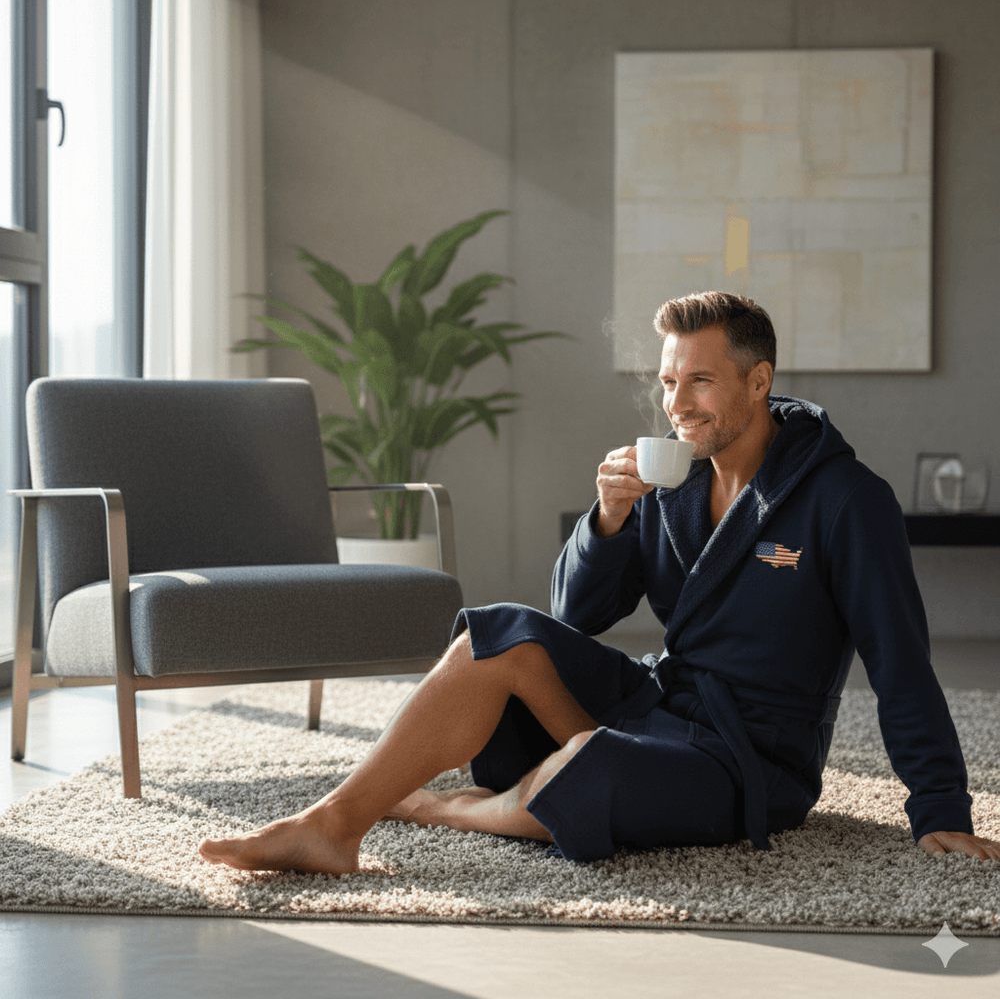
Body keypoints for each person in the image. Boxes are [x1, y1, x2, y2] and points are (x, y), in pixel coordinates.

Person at [199, 291, 1000, 873]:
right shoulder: (671, 485)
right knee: (498, 634)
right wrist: (608, 519)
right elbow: (573, 616)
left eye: (699, 382)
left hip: (750, 757)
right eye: (666, 382)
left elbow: (900, 659)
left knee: (591, 766)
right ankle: (333, 824)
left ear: (758, 383)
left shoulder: (845, 500)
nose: (675, 404)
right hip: (661, 704)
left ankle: (444, 806)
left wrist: (940, 809)